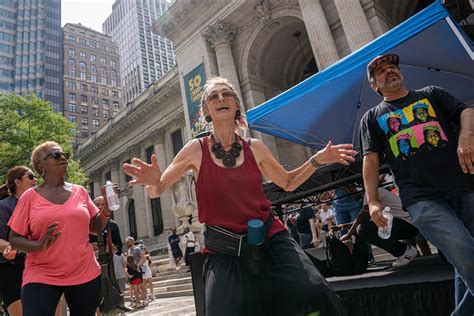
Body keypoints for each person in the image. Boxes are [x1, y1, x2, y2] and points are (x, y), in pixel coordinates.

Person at [124, 76, 356, 315]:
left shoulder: (255, 147)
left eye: (226, 94)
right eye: (213, 97)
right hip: (224, 249)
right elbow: (158, 188)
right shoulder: (196, 149)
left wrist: (317, 160)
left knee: (315, 293)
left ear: (236, 105)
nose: (220, 98)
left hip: (269, 238)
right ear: (206, 110)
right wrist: (152, 183)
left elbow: (288, 182)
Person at [360, 53, 474, 315]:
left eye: (392, 67)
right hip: (422, 199)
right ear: (374, 85)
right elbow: (370, 160)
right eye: (382, 72)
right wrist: (374, 201)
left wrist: (467, 136)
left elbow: (466, 111)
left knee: (462, 262)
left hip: (464, 186)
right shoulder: (372, 117)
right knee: (465, 252)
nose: (390, 71)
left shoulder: (431, 94)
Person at [7, 141, 112, 316]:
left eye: (65, 155)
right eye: (56, 155)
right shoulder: (29, 197)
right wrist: (38, 245)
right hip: (41, 274)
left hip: (83, 272)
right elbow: (14, 239)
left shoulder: (80, 191)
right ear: (42, 166)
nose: (63, 157)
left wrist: (106, 209)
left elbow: (95, 227)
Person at [340, 187, 419, 267]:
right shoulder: (373, 193)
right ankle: (404, 251)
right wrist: (341, 226)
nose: (350, 196)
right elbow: (361, 219)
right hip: (405, 225)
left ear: (355, 188)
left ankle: (405, 251)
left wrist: (349, 234)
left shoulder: (372, 192)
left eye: (349, 191)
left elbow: (363, 216)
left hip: (407, 225)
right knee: (364, 226)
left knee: (363, 229)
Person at [0, 166, 37, 316]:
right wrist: (15, 249)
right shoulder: (3, 207)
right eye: (31, 177)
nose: (36, 180)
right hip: (11, 270)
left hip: (38, 267)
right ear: (18, 182)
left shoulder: (39, 206)